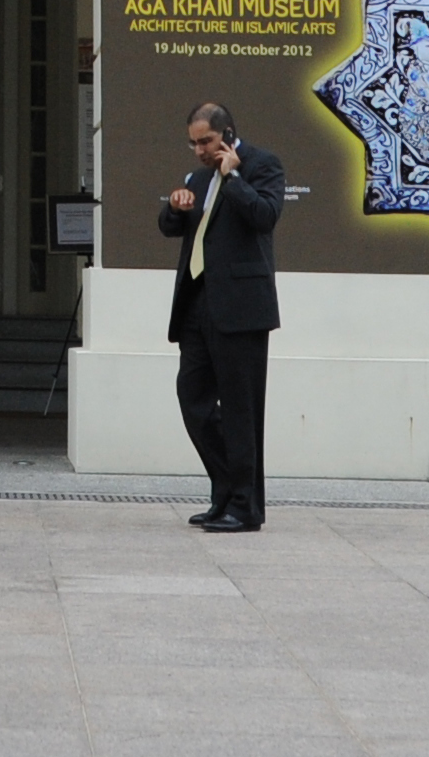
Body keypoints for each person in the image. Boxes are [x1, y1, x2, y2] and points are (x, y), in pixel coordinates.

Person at [160, 100, 285, 534]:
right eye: (193, 143)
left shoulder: (261, 166)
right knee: (192, 400)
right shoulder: (196, 177)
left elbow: (264, 216)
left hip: (241, 309)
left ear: (228, 135)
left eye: (207, 142)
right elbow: (172, 227)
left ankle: (245, 507)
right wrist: (175, 207)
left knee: (240, 411)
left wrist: (231, 174)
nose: (199, 151)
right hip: (197, 305)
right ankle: (225, 490)